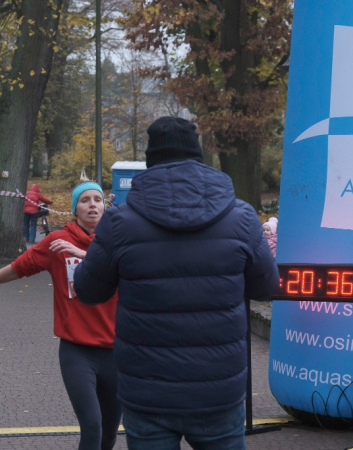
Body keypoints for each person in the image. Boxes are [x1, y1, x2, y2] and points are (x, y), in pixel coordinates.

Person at [73, 116, 279, 450]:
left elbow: (88, 290)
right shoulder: (241, 217)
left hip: (147, 392)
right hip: (218, 390)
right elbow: (266, 288)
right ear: (198, 156)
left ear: (150, 159)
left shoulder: (119, 223)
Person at [0, 181, 121, 450]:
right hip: (78, 352)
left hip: (117, 353)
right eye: (85, 200)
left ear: (105, 207)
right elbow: (18, 268)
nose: (93, 205)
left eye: (98, 199)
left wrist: (86, 256)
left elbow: (135, 273)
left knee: (109, 433)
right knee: (93, 428)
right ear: (75, 208)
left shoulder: (119, 244)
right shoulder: (58, 243)